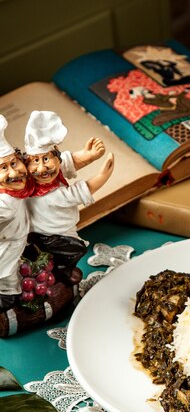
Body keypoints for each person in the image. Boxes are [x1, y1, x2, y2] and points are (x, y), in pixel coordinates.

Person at [24, 111, 114, 284]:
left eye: (46, 159)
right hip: (49, 235)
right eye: (35, 161)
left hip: (57, 230)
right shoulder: (46, 194)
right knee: (75, 250)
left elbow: (69, 161)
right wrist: (104, 174)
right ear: (27, 164)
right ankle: (62, 272)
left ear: (56, 158)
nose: (41, 168)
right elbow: (81, 191)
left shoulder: (52, 171)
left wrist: (88, 155)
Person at [0, 115, 33, 310]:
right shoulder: (4, 203)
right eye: (4, 168)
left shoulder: (21, 190)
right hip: (6, 248)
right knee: (6, 277)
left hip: (20, 242)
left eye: (14, 163)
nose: (13, 173)